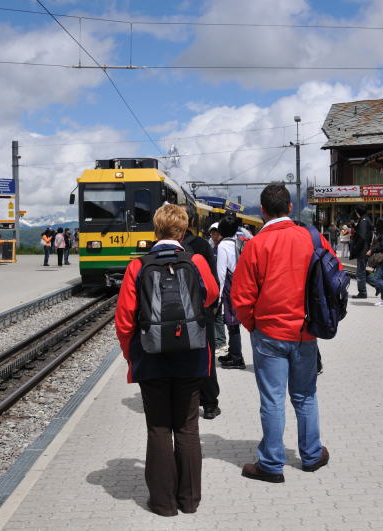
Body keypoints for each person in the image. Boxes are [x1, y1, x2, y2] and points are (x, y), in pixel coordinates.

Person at [114, 204, 218, 517]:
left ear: (156, 231)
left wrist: (132, 354)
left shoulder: (138, 266)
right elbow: (211, 296)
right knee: (187, 428)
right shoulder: (196, 261)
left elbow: (124, 321)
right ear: (184, 230)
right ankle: (189, 501)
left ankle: (163, 503)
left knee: (158, 427)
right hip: (190, 357)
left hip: (151, 359)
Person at [231, 183, 336, 483]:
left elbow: (241, 297)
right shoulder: (311, 237)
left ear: (262, 211)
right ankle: (312, 455)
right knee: (305, 396)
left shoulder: (255, 245)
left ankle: (271, 464)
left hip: (269, 334)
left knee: (273, 399)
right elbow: (335, 274)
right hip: (305, 332)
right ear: (290, 207)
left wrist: (254, 325)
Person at [182, 206, 221, 420]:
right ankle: (209, 404)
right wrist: (212, 309)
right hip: (199, 312)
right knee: (205, 358)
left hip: (168, 318)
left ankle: (183, 403)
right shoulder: (201, 246)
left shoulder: (156, 248)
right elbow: (214, 283)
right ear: (191, 222)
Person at [216, 214, 246, 370]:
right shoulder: (240, 242)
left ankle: (236, 358)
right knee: (234, 321)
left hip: (229, 287)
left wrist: (218, 297)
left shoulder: (222, 246)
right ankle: (234, 352)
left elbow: (221, 274)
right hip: (240, 283)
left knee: (232, 322)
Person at [207, 223, 227, 354]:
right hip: (216, 285)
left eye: (216, 233)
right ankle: (221, 342)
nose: (214, 235)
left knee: (216, 315)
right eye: (212, 233)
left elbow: (221, 272)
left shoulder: (220, 248)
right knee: (218, 316)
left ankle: (219, 342)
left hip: (220, 286)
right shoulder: (213, 247)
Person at [349, 205, 373, 299]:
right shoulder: (366, 219)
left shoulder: (363, 221)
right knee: (363, 271)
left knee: (360, 273)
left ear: (358, 211)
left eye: (355, 211)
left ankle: (362, 292)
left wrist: (355, 247)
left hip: (362, 250)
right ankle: (378, 286)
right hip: (365, 248)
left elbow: (362, 237)